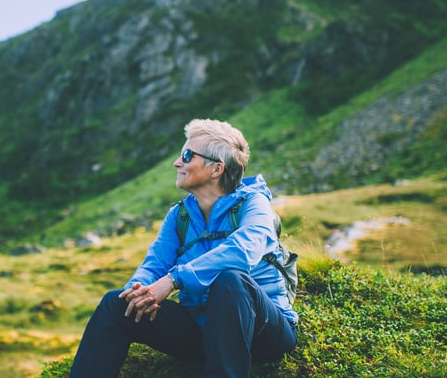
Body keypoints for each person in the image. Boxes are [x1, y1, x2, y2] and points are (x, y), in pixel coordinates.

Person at [70, 118, 298, 377]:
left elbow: (243, 250)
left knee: (230, 280)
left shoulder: (254, 204)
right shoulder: (179, 215)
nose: (177, 162)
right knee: (117, 303)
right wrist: (139, 291)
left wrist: (174, 280)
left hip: (264, 333)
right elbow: (155, 264)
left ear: (216, 169)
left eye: (187, 155)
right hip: (203, 334)